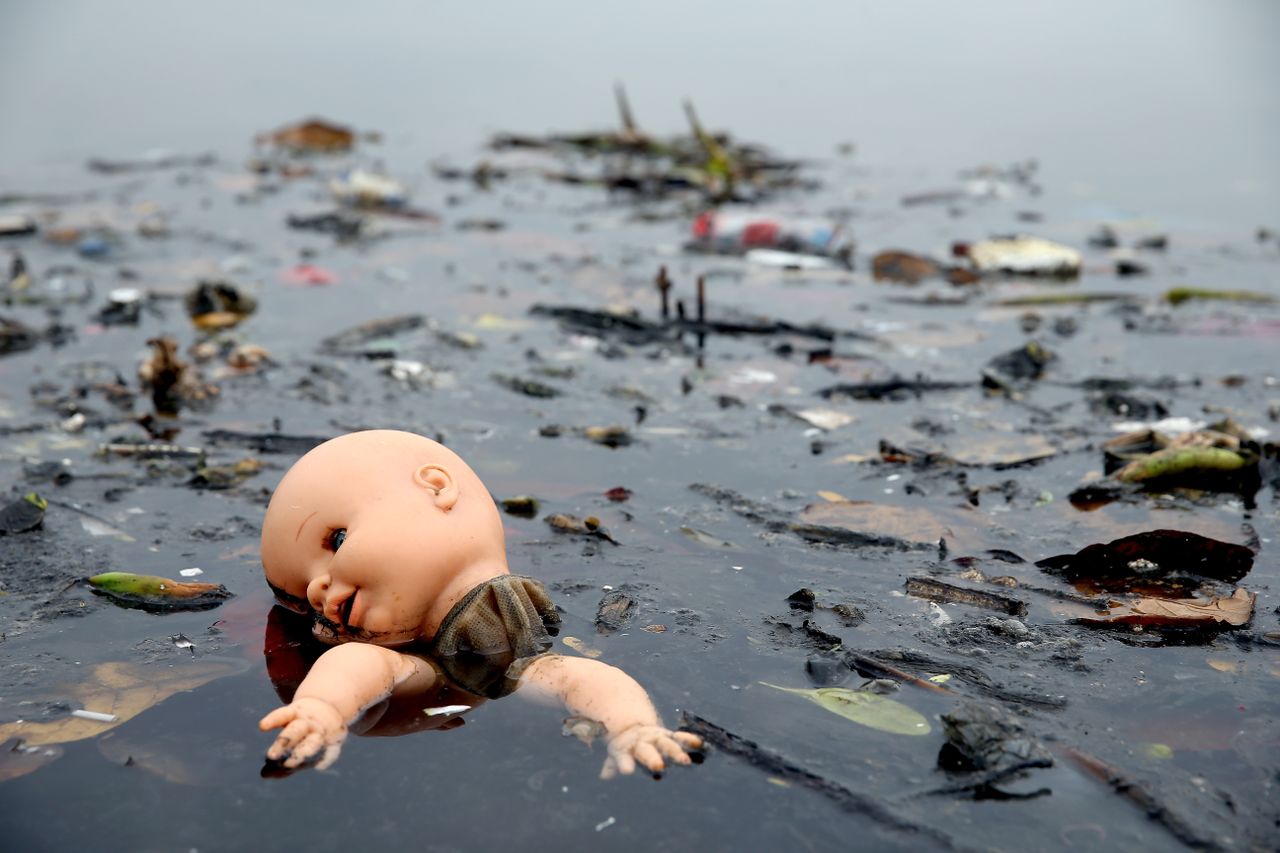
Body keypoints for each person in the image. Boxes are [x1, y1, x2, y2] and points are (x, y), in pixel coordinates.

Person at [258, 429, 702, 777]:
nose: (318, 591)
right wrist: (322, 708)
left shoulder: (519, 634)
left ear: (436, 488)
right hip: (429, 676)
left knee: (563, 673)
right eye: (306, 603)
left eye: (336, 540)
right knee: (365, 661)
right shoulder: (399, 662)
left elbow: (581, 678)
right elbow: (357, 663)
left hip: (481, 677)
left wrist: (632, 726)